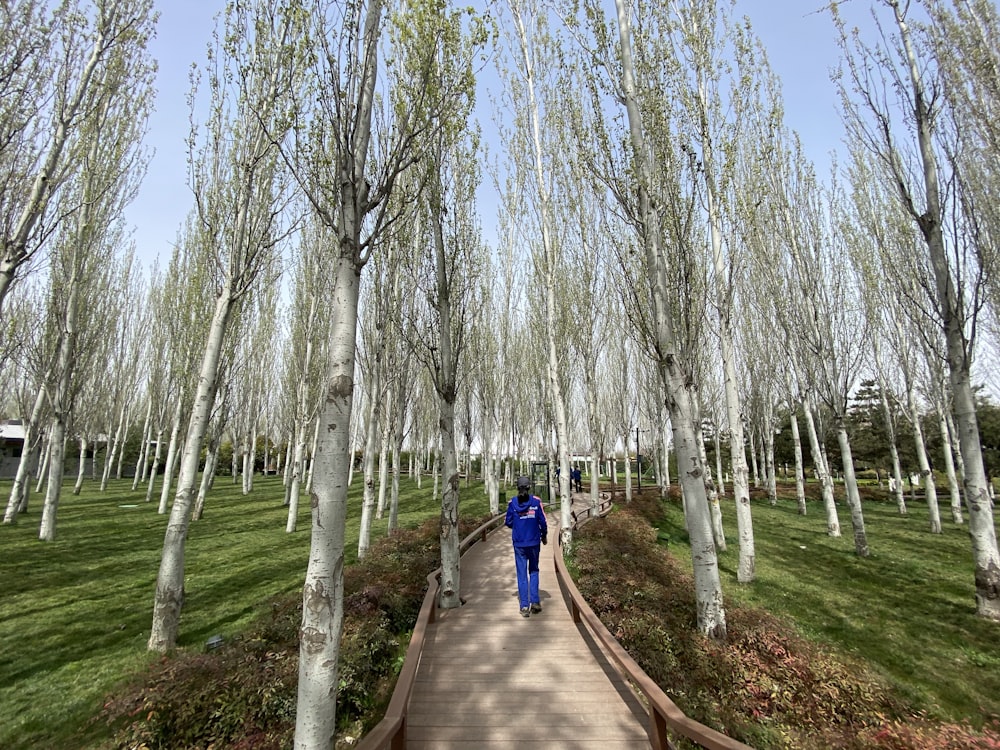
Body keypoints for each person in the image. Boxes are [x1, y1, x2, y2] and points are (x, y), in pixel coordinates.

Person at [505, 475, 548, 617]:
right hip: (534, 542)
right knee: (534, 570)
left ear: (518, 488)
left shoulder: (512, 503)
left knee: (521, 573)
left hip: (519, 544)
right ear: (529, 487)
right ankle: (535, 601)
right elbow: (543, 521)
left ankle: (524, 606)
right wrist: (544, 535)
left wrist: (519, 526)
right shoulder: (536, 502)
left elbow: (508, 521)